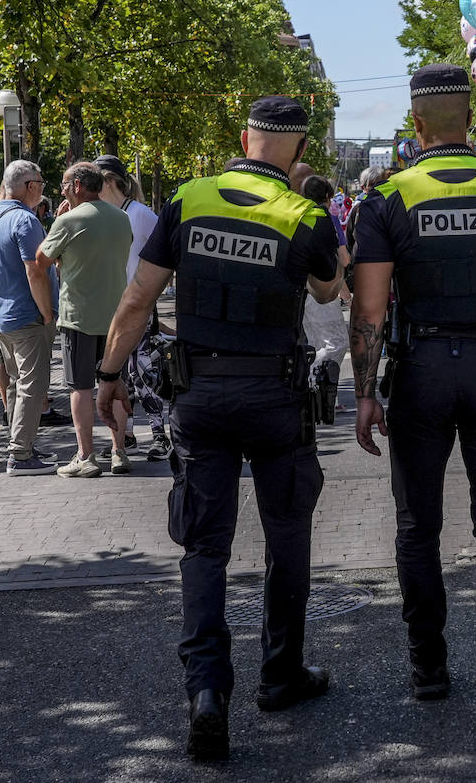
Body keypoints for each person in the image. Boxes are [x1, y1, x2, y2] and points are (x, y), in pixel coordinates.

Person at [95, 96, 342, 762]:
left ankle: (207, 692)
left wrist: (109, 373)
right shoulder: (305, 214)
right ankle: (281, 675)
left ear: (243, 138)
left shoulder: (190, 199)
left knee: (205, 549)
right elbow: (328, 293)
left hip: (198, 394)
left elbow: (138, 297)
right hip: (275, 396)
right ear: (297, 151)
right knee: (287, 537)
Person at [350, 63, 476, 727]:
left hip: (422, 369)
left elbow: (370, 310)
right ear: (468, 120)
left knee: (418, 528)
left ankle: (428, 670)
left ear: (416, 124)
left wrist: (362, 392)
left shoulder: (388, 199)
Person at [36, 162, 133, 477]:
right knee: (116, 382)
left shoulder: (68, 221)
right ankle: (119, 452)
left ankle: (86, 456)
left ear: (77, 186)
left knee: (80, 388)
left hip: (78, 318)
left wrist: (61, 220)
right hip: (117, 317)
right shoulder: (122, 218)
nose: (61, 190)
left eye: (64, 185)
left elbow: (40, 261)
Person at [0, 161, 60, 476]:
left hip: (3, 315)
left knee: (19, 383)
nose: (43, 190)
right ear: (30, 186)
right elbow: (35, 269)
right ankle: (20, 454)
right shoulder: (24, 221)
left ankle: (22, 444)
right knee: (33, 384)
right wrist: (46, 312)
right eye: (41, 184)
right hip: (26, 316)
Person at [97, 153, 164, 458]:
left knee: (143, 371)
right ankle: (125, 434)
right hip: (111, 308)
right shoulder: (103, 216)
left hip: (138, 307)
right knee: (119, 373)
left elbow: (167, 255)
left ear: (109, 181)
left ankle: (160, 435)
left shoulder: (140, 214)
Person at [299, 174, 350, 402]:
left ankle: (324, 395)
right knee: (336, 342)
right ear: (328, 197)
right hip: (322, 289)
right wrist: (344, 289)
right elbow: (343, 258)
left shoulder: (296, 216)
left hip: (300, 290)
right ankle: (312, 381)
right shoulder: (327, 219)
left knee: (315, 343)